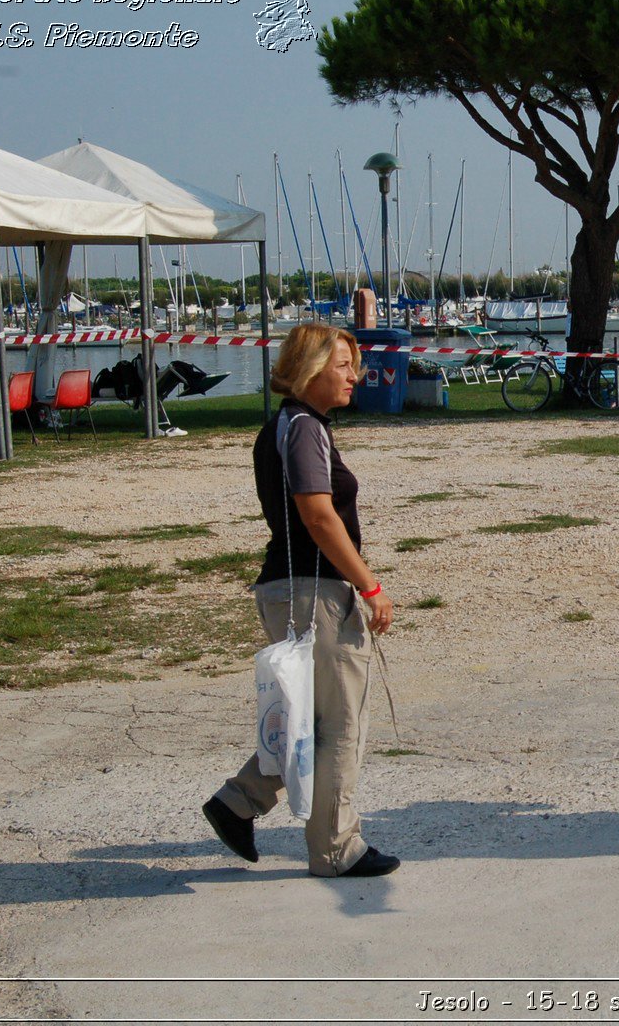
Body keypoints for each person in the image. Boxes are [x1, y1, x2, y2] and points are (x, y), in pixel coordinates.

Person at [202, 323, 400, 878]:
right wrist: (369, 584)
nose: (353, 375)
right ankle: (337, 849)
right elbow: (318, 514)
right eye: (342, 365)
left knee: (306, 716)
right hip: (314, 590)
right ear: (310, 368)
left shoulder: (282, 427)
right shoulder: (306, 428)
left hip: (286, 586)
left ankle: (239, 801)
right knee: (339, 723)